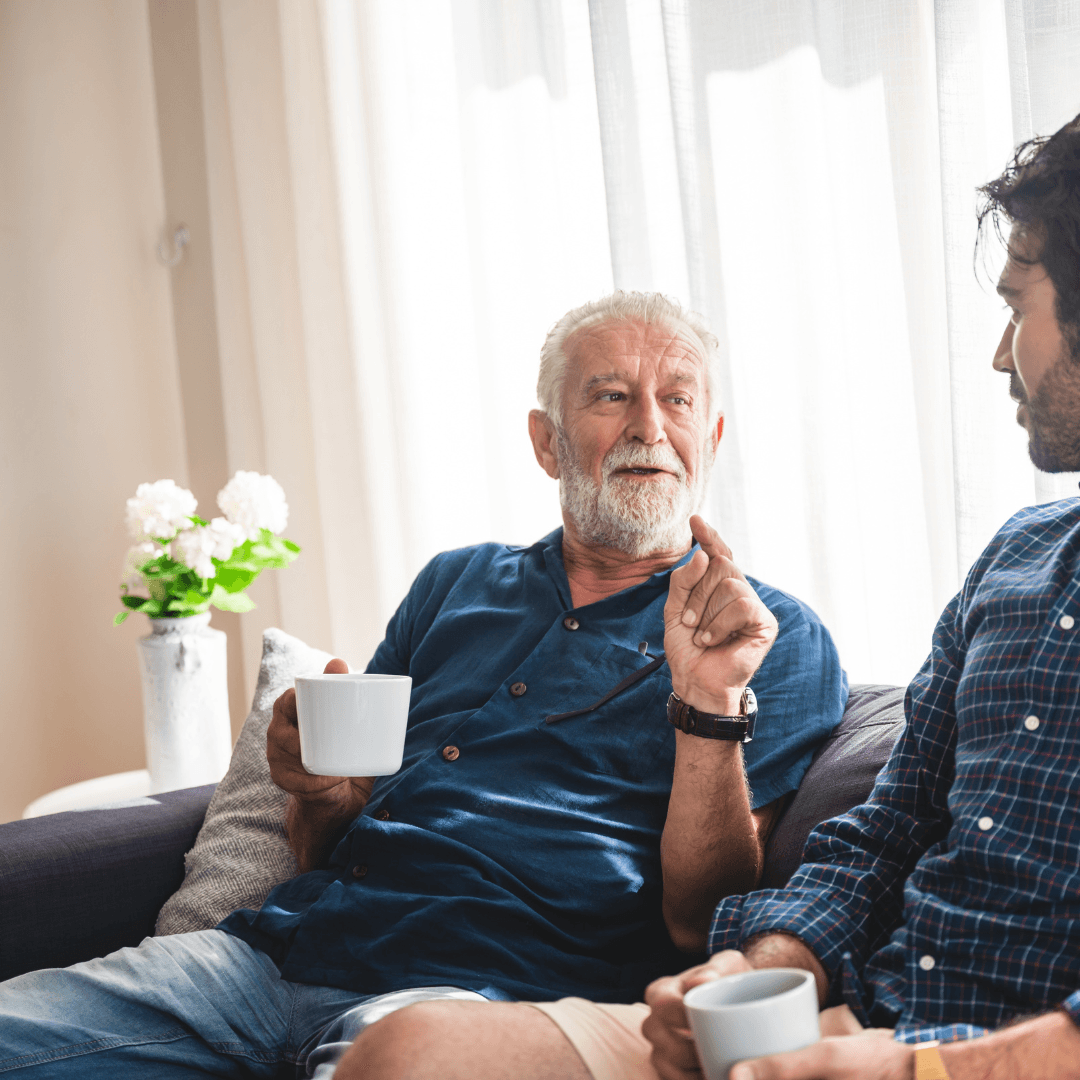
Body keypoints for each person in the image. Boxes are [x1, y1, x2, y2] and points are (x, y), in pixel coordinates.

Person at [0, 292, 846, 1077]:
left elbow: (703, 921)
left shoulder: (769, 637)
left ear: (714, 437)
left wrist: (708, 705)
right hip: (268, 957)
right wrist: (319, 791)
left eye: (679, 399)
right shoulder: (457, 583)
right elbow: (321, 843)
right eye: (611, 396)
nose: (650, 428)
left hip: (478, 1001)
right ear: (548, 441)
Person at [490, 115, 1080, 1080]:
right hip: (867, 1021)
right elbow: (883, 836)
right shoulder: (1017, 557)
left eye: (1021, 305)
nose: (999, 353)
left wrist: (912, 1069)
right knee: (414, 1048)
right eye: (609, 398)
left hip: (967, 1058)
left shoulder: (778, 634)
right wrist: (759, 971)